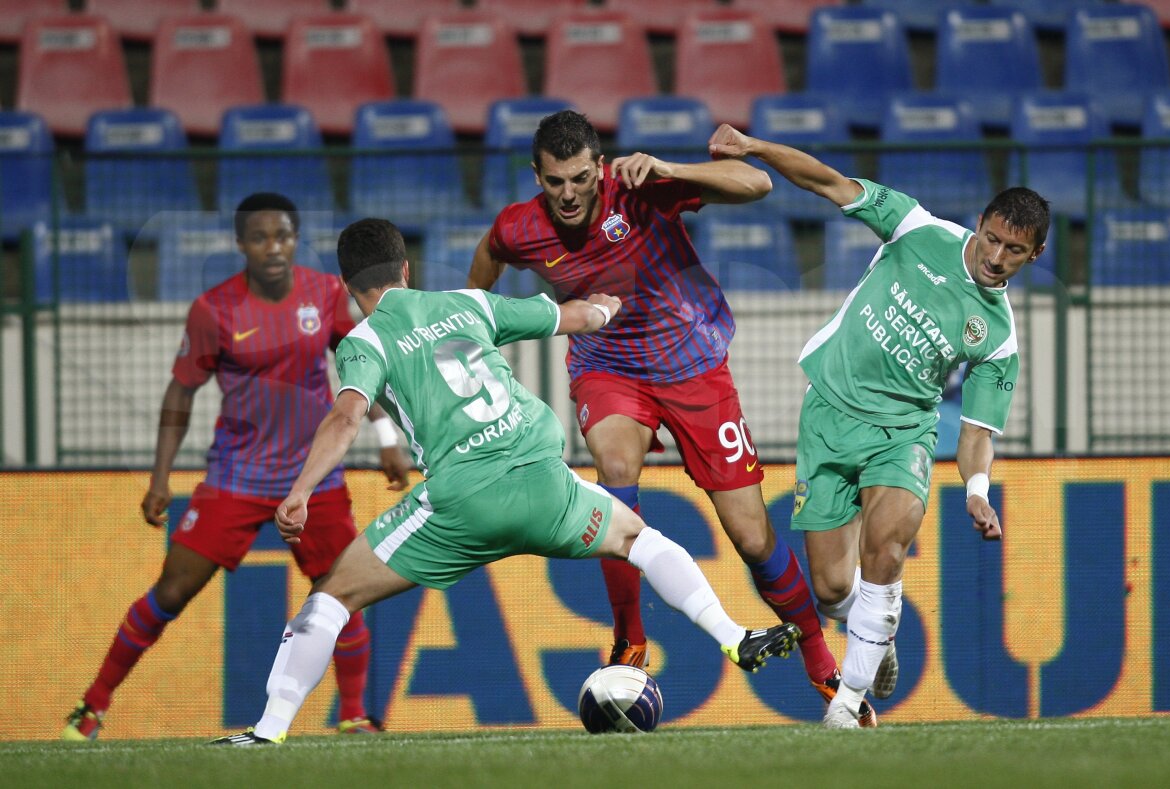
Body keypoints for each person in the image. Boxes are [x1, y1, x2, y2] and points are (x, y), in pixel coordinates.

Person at [209, 218, 800, 745]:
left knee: (332, 597)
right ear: (407, 269)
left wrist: (301, 489)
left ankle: (268, 732)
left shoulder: (364, 341)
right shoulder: (470, 304)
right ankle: (732, 635)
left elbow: (345, 417)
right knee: (643, 540)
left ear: (345, 285)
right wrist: (605, 308)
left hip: (459, 503)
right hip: (543, 481)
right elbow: (573, 317)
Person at [467, 110, 874, 725]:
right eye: (556, 183)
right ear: (537, 177)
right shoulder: (519, 227)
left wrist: (668, 167)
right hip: (607, 369)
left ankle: (820, 661)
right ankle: (629, 639)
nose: (570, 194)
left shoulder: (639, 188)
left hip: (693, 368)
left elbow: (757, 185)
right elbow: (487, 260)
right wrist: (480, 336)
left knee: (753, 537)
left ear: (599, 167)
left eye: (580, 178)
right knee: (614, 473)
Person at [706, 124, 1049, 728]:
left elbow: (976, 432)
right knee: (835, 588)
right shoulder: (917, 228)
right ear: (979, 224)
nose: (997, 258)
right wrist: (756, 148)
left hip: (902, 434)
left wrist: (976, 492)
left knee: (886, 548)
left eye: (1014, 252)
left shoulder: (998, 335)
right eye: (993, 240)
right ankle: (876, 632)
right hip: (829, 413)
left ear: (1035, 255)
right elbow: (828, 183)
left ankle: (847, 704)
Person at [63, 193, 410, 741]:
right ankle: (91, 706)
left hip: (311, 477)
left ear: (296, 240)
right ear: (241, 243)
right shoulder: (214, 310)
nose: (273, 247)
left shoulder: (322, 296)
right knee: (171, 592)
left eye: (284, 236)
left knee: (341, 590)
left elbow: (368, 362)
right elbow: (180, 393)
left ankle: (353, 715)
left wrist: (387, 435)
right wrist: (159, 479)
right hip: (236, 476)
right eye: (261, 237)